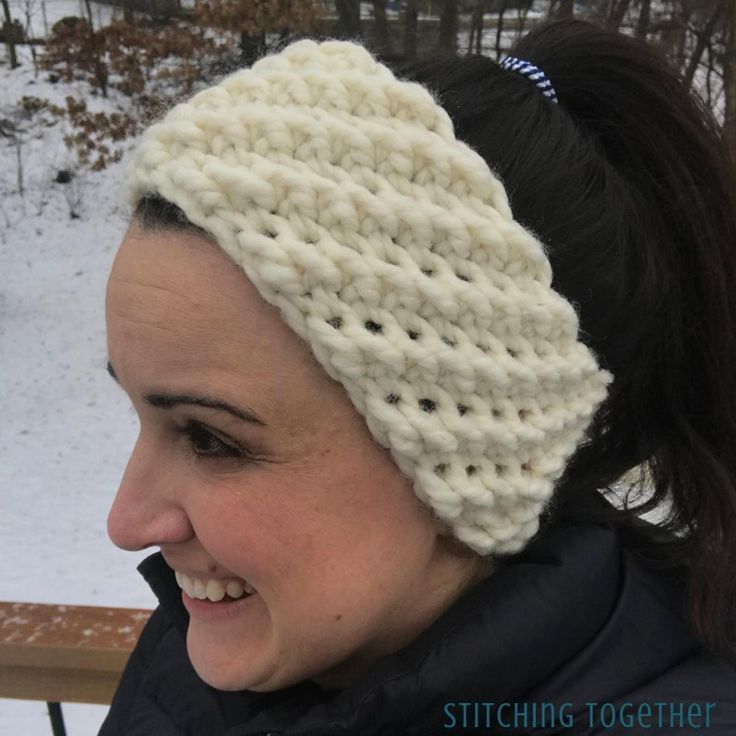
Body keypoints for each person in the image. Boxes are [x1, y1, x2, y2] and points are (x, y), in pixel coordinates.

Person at [98, 17, 736, 736]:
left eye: (212, 439)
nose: (128, 522)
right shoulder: (219, 646)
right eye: (139, 414)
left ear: (471, 453)